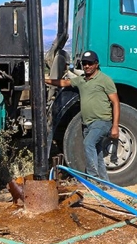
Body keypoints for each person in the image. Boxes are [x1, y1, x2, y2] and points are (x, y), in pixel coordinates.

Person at [45, 50, 120, 180]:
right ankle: (105, 184)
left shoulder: (105, 80)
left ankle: (93, 179)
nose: (87, 66)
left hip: (102, 121)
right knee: (97, 153)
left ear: (96, 64)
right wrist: (45, 80)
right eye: (84, 63)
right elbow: (64, 83)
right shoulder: (81, 80)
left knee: (88, 144)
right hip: (87, 124)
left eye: (90, 63)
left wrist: (115, 126)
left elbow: (116, 103)